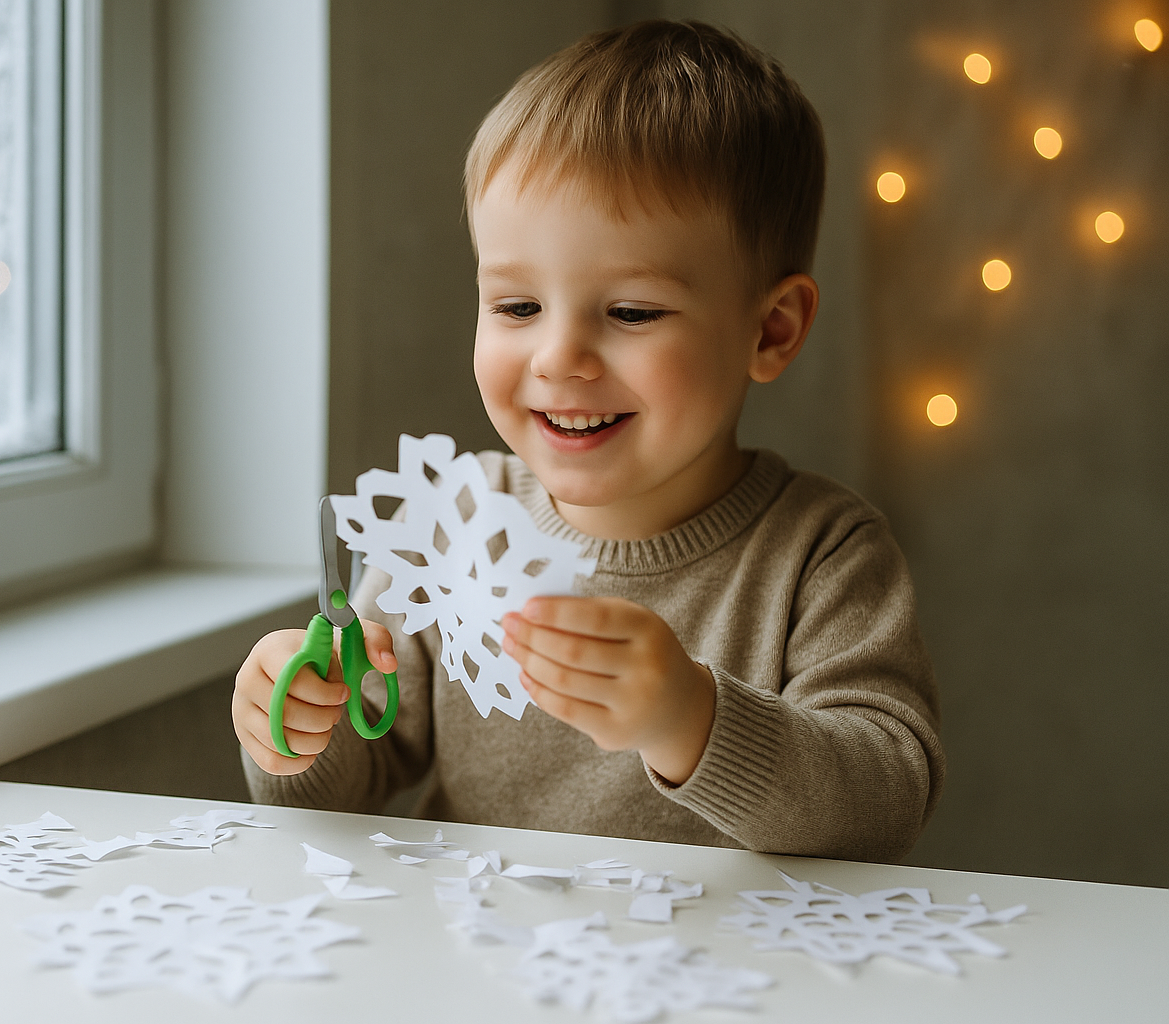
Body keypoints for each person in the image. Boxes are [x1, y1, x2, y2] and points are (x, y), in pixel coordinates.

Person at [231, 20, 943, 861]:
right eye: (516, 307)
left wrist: (692, 719)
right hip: (469, 974)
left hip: (727, 984)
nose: (560, 357)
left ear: (771, 330)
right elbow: (352, 786)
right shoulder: (454, 523)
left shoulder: (824, 555)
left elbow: (885, 802)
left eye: (632, 312)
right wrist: (298, 730)